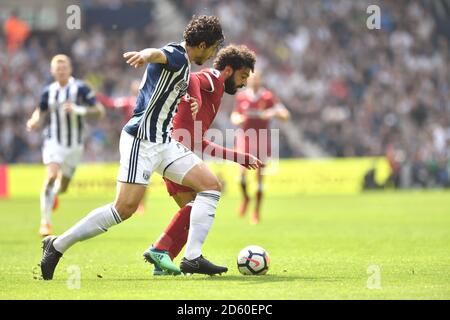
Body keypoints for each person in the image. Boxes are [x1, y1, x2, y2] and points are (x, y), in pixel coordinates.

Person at [40, 15, 226, 280]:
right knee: (123, 209)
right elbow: (159, 55)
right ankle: (57, 245)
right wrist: (144, 55)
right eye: (214, 48)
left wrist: (188, 97)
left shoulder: (182, 63)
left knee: (210, 186)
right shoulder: (175, 54)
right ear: (204, 44)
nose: (213, 54)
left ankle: (193, 257)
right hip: (141, 141)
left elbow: (162, 88)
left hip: (163, 141)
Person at [142, 44, 261, 275]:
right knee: (204, 201)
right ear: (228, 70)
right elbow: (194, 78)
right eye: (243, 76)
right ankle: (163, 250)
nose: (244, 83)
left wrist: (238, 157)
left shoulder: (214, 96)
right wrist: (194, 97)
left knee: (194, 213)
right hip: (174, 153)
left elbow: (200, 142)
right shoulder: (214, 77)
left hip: (175, 152)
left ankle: (162, 262)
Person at [26, 54, 104, 236]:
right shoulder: (48, 91)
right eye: (57, 68)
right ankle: (45, 222)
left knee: (63, 187)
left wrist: (78, 110)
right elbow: (41, 110)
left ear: (70, 69)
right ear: (52, 71)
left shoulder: (81, 88)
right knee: (51, 176)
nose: (61, 71)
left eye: (64, 68)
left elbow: (99, 111)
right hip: (53, 141)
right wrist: (34, 120)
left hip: (75, 145)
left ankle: (53, 195)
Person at [231, 70, 290, 224]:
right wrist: (239, 119)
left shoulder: (268, 97)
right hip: (245, 137)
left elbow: (285, 115)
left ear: (261, 80)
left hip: (262, 139)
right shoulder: (241, 96)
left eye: (257, 78)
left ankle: (256, 212)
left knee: (259, 179)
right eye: (252, 78)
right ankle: (245, 199)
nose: (254, 81)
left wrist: (271, 113)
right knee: (241, 176)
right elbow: (234, 116)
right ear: (248, 80)